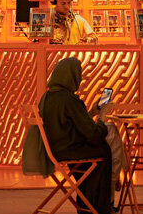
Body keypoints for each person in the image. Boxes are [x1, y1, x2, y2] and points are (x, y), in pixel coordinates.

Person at [40, 57, 113, 214]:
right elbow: (94, 135)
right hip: (70, 150)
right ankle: (99, 207)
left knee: (93, 157)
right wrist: (103, 117)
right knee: (103, 149)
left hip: (55, 150)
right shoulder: (69, 99)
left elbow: (70, 124)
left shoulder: (47, 97)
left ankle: (88, 206)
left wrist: (92, 113)